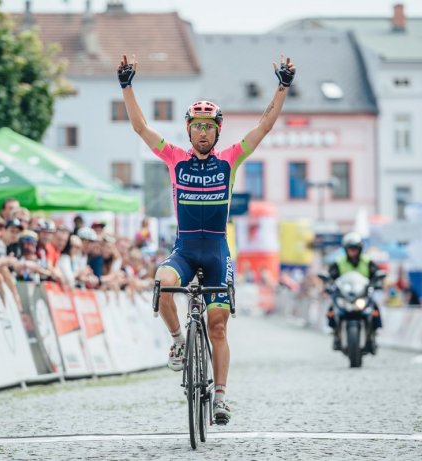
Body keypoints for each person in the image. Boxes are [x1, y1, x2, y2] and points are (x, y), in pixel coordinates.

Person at [119, 52, 295, 423]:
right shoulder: (175, 159)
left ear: (217, 131)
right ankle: (179, 342)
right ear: (189, 130)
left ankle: (220, 396)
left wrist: (282, 87)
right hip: (184, 250)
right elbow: (140, 128)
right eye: (196, 126)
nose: (202, 132)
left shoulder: (230, 160)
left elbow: (263, 127)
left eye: (208, 126)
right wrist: (126, 86)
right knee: (162, 284)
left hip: (216, 252)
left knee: (217, 325)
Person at [327, 232, 381, 351]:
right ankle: (335, 333)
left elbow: (376, 274)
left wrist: (377, 282)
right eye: (350, 249)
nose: (353, 251)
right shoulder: (339, 262)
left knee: (375, 309)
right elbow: (330, 277)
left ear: (360, 249)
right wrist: (328, 284)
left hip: (362, 294)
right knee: (331, 309)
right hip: (344, 295)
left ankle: (374, 332)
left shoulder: (367, 262)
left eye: (355, 249)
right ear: (346, 249)